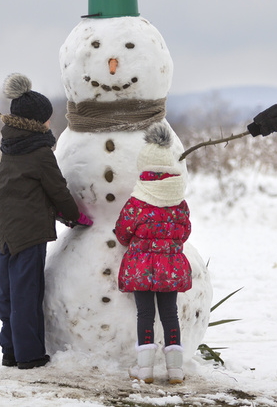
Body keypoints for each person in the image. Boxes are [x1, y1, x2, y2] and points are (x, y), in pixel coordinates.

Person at [0, 73, 92, 369]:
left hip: (7, 229)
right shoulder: (39, 153)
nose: (50, 123)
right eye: (47, 119)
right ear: (38, 123)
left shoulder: (11, 147)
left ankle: (10, 350)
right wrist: (76, 216)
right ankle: (30, 355)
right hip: (30, 231)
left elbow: (29, 189)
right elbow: (57, 190)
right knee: (26, 293)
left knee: (8, 293)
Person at [114, 122, 192, 384]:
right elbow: (184, 232)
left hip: (141, 266)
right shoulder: (179, 200)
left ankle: (144, 369)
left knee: (145, 315)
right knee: (170, 314)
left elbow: (122, 232)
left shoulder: (137, 201)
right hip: (170, 266)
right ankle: (176, 370)